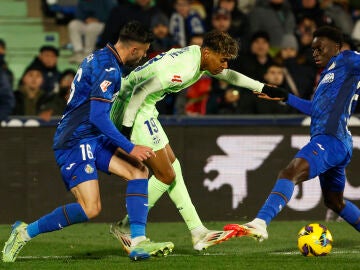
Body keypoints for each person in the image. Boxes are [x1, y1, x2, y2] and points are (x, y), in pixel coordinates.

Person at [2, 21, 174, 263]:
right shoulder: (109, 69)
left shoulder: (100, 57)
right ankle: (24, 232)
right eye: (144, 51)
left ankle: (138, 242)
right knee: (90, 208)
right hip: (75, 140)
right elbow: (97, 116)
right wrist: (130, 147)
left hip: (92, 135)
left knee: (139, 171)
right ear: (134, 50)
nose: (145, 55)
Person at [109, 29, 282, 252]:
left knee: (173, 167)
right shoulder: (183, 69)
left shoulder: (197, 56)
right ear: (208, 53)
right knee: (166, 174)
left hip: (145, 108)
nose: (225, 66)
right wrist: (124, 133)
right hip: (131, 107)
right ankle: (127, 227)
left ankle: (198, 232)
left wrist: (262, 87)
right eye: (223, 60)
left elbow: (228, 76)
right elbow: (139, 92)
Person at [224, 26, 360, 241]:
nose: (315, 54)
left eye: (320, 48)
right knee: (334, 202)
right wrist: (284, 96)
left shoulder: (348, 59)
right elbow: (315, 109)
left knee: (289, 173)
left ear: (336, 47)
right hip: (336, 141)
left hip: (330, 139)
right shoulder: (328, 73)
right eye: (313, 50)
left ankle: (260, 223)